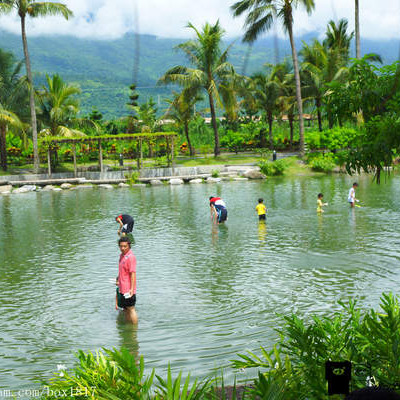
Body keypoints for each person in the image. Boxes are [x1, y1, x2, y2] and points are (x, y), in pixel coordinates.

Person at [117, 236, 138, 324]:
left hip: (128, 289)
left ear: (129, 246)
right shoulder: (122, 256)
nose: (122, 248)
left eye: (125, 246)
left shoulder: (131, 257)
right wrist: (118, 280)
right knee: (125, 309)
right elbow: (121, 270)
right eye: (121, 246)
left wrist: (132, 290)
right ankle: (129, 325)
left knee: (131, 309)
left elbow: (133, 274)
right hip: (122, 288)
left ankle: (134, 329)